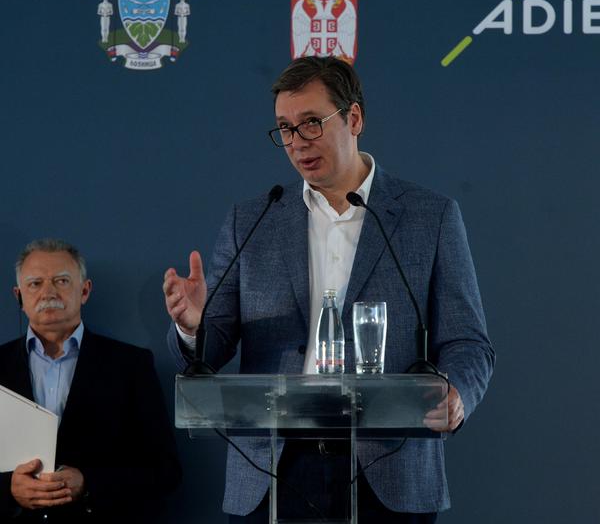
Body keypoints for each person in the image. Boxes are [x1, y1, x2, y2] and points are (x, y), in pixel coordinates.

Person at [163, 56, 495, 523]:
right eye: (285, 128)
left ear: (353, 118)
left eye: (311, 123)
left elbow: (468, 342)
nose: (297, 142)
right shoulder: (253, 219)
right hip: (273, 467)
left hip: (389, 465)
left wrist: (456, 392)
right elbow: (209, 353)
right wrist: (193, 327)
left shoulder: (430, 217)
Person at [0, 239, 182, 522]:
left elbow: (165, 470)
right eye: (35, 283)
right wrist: (9, 488)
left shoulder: (131, 365)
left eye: (61, 281)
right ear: (19, 296)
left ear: (84, 291)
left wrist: (88, 483)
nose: (48, 292)